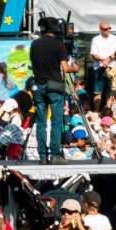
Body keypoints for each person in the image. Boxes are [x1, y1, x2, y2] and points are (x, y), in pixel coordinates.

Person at [30, 18, 73, 160]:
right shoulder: (58, 44)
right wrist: (76, 67)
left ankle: (42, 156)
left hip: (39, 86)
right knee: (56, 122)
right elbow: (66, 68)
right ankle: (55, 155)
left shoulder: (35, 44)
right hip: (54, 86)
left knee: (41, 123)